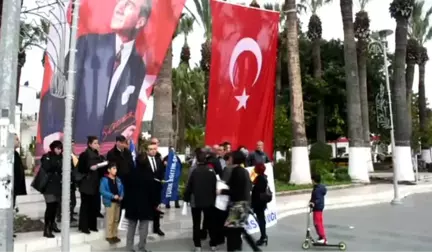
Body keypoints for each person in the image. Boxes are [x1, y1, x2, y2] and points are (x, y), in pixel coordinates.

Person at [40, 0, 153, 148]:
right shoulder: (87, 44)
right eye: (120, 2)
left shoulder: (138, 66)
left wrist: (122, 136)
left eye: (129, 5)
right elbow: (57, 92)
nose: (119, 8)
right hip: (75, 151)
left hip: (107, 155)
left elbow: (125, 114)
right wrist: (53, 131)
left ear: (140, 22)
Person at [219, 151, 261, 252]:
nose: (228, 160)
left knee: (231, 230)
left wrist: (222, 190)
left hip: (238, 205)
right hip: (244, 203)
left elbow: (235, 191)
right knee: (238, 229)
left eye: (230, 158)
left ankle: (235, 249)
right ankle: (253, 248)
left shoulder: (236, 171)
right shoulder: (243, 171)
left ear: (235, 159)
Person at [124, 144, 159, 252]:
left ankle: (129, 248)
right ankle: (141, 248)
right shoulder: (150, 176)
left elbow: (126, 190)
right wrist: (155, 204)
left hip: (132, 205)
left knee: (131, 227)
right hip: (145, 206)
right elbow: (153, 192)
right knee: (143, 228)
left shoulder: (130, 174)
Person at [184, 151, 218, 252]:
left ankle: (197, 246)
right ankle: (213, 244)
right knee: (211, 223)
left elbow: (189, 186)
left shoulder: (194, 170)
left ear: (197, 159)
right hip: (209, 201)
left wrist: (186, 198)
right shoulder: (211, 170)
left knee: (196, 223)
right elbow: (215, 185)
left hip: (196, 201)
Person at [78, 136, 106, 234]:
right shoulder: (84, 155)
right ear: (89, 144)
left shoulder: (98, 155)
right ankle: (84, 226)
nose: (97, 145)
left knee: (94, 205)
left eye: (97, 143)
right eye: (95, 143)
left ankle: (92, 225)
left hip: (95, 183)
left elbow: (101, 171)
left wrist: (103, 165)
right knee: (85, 206)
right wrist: (90, 168)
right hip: (86, 184)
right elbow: (80, 169)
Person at [40, 140, 63, 238]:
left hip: (57, 186)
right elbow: (47, 167)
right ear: (53, 148)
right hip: (48, 187)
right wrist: (57, 163)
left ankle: (53, 225)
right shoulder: (47, 157)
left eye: (61, 149)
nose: (60, 151)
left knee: (55, 207)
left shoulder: (61, 158)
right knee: (50, 207)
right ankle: (47, 229)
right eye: (58, 148)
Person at [106, 135, 134, 212]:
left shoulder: (127, 152)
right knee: (117, 200)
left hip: (127, 179)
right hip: (117, 180)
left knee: (126, 199)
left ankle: (125, 213)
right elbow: (110, 168)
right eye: (122, 143)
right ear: (117, 142)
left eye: (125, 143)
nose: (124, 145)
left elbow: (131, 164)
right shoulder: (111, 153)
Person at [100, 163, 124, 244]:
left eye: (116, 169)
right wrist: (112, 196)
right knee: (110, 219)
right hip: (110, 202)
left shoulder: (118, 179)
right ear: (109, 170)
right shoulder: (104, 180)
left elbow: (122, 189)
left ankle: (114, 235)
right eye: (113, 168)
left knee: (116, 219)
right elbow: (102, 191)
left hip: (117, 202)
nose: (115, 170)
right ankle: (109, 236)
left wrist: (121, 196)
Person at [251, 163, 269, 246]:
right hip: (261, 202)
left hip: (259, 203)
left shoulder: (260, 179)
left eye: (255, 167)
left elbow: (257, 192)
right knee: (261, 219)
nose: (254, 168)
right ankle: (263, 236)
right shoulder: (263, 177)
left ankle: (263, 236)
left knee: (261, 219)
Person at [309, 174, 327, 244]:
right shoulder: (317, 187)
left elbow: (318, 199)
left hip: (318, 207)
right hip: (317, 207)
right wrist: (311, 201)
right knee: (316, 223)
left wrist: (313, 203)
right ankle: (320, 236)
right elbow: (314, 197)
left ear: (314, 180)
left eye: (312, 180)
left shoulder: (318, 189)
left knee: (318, 223)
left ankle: (323, 238)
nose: (311, 181)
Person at [13, 134, 27, 208]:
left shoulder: (16, 154)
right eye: (17, 139)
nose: (19, 141)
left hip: (15, 188)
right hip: (10, 187)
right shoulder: (9, 155)